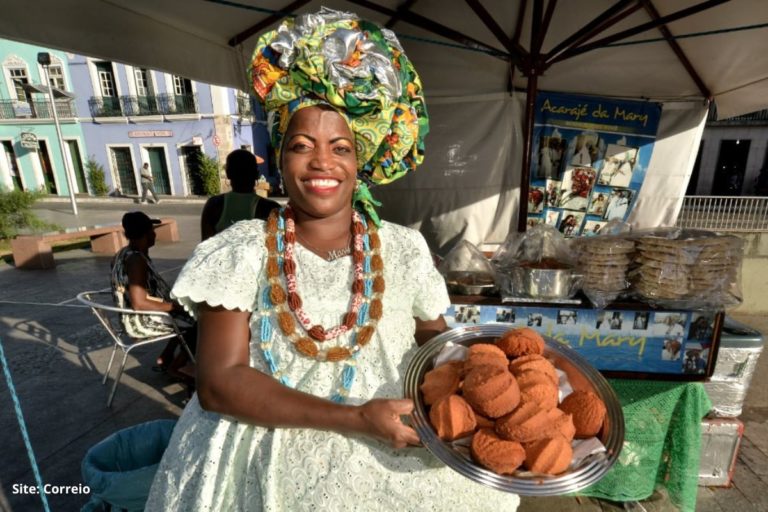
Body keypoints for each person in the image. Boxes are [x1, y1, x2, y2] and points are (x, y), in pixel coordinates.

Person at [146, 9, 517, 511]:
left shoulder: (403, 247)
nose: (322, 161)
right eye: (302, 146)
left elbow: (433, 335)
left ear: (360, 160)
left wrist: (489, 375)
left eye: (340, 147)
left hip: (399, 438)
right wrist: (356, 417)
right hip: (261, 456)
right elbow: (219, 384)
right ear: (279, 159)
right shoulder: (241, 250)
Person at [111, 211, 195, 381]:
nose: (154, 234)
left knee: (185, 313)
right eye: (152, 230)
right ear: (147, 233)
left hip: (128, 316)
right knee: (199, 320)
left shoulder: (123, 253)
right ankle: (177, 366)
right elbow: (139, 303)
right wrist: (176, 307)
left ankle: (165, 357)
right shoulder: (135, 260)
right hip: (139, 320)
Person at [199, 149, 281, 241]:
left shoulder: (214, 204)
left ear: (228, 174)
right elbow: (278, 248)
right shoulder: (271, 208)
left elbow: (205, 247)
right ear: (256, 174)